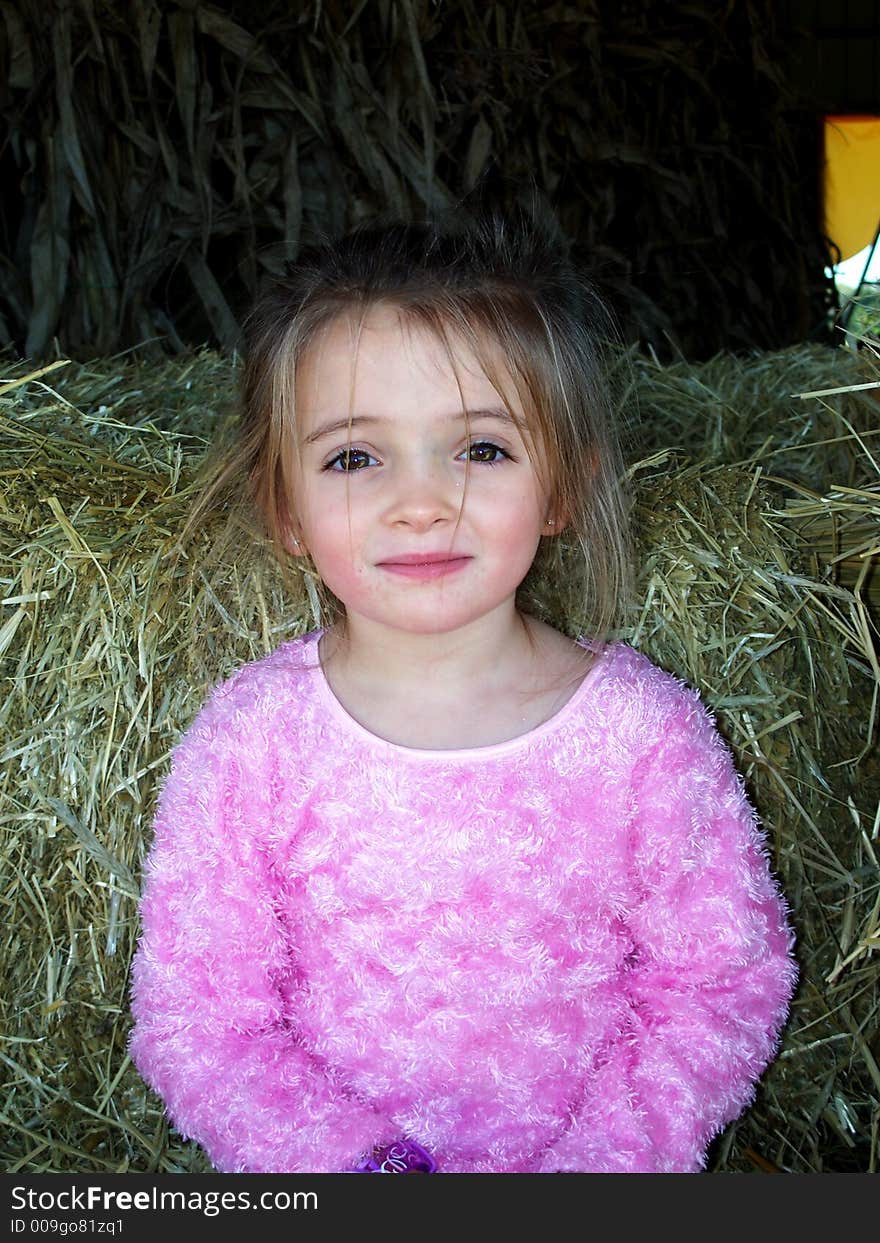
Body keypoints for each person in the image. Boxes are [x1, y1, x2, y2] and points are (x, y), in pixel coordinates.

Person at [129, 213, 798, 1174]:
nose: (423, 500)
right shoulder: (251, 740)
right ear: (286, 509)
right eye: (355, 457)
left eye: (481, 449)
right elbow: (197, 1017)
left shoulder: (644, 735)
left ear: (562, 484)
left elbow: (722, 982)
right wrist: (354, 1170)